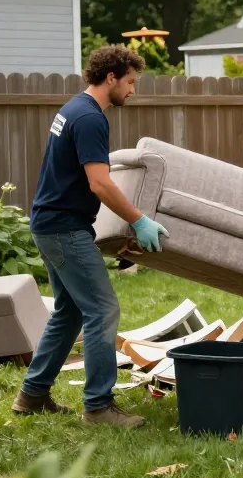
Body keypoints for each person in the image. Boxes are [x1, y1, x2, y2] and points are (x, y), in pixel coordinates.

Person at [12, 46, 169, 428]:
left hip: (50, 222)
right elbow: (99, 182)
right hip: (64, 228)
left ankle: (32, 395)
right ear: (111, 77)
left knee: (69, 311)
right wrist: (139, 220)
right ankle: (98, 407)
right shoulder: (90, 118)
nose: (133, 90)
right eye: (130, 82)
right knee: (102, 309)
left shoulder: (74, 109)